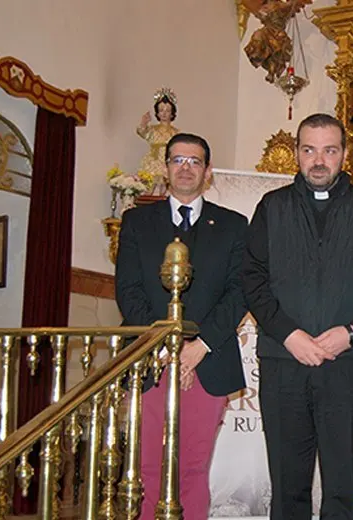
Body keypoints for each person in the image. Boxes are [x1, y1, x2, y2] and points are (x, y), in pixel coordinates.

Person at [242, 113, 353, 519]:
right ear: (297, 154)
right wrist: (289, 334)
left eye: (329, 150)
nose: (319, 160)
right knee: (288, 486)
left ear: (345, 154)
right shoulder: (271, 207)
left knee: (342, 487)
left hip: (345, 365)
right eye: (309, 150)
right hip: (284, 362)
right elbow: (252, 278)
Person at [115, 132, 248, 520]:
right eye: (178, 160)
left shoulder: (234, 225)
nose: (186, 168)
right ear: (165, 167)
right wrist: (165, 349)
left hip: (208, 361)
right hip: (150, 360)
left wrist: (197, 347)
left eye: (194, 161)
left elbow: (239, 293)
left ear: (208, 172)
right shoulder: (137, 222)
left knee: (192, 467)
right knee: (147, 468)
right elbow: (128, 290)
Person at [137, 88, 181, 196]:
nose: (164, 114)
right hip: (153, 161)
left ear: (172, 113)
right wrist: (143, 123)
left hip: (167, 161)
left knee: (165, 189)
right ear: (157, 113)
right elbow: (142, 132)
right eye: (161, 110)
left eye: (167, 111)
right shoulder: (152, 129)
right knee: (148, 190)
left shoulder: (175, 132)